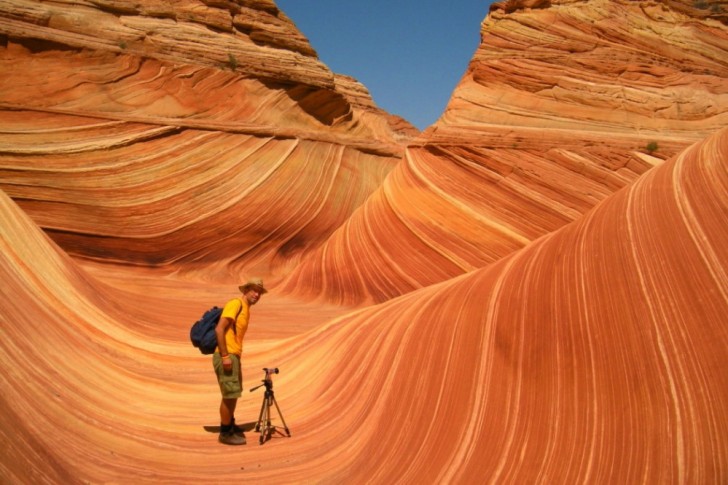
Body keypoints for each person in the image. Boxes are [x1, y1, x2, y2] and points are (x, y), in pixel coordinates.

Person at [213, 278, 267, 445]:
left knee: (234, 393)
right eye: (253, 290)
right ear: (246, 290)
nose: (256, 294)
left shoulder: (246, 309)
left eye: (259, 292)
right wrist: (224, 356)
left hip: (233, 355)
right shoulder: (235, 304)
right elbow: (219, 328)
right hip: (227, 354)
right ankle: (225, 433)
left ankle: (230, 425)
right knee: (229, 395)